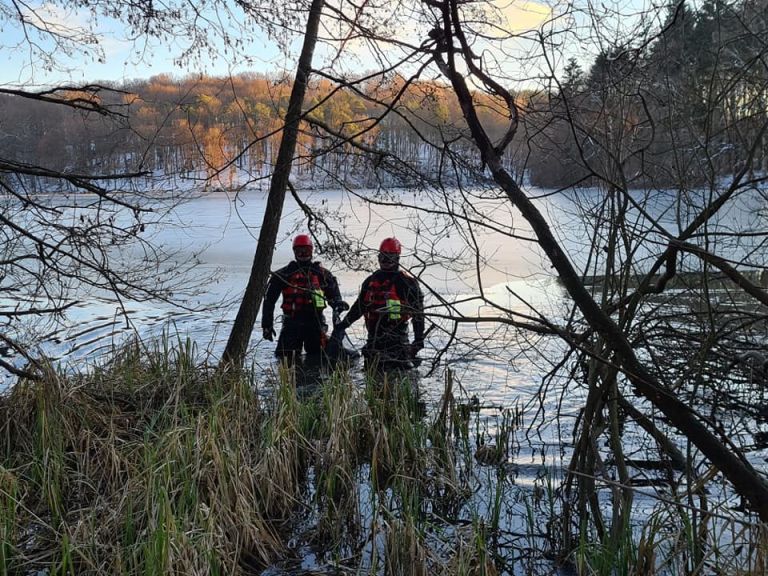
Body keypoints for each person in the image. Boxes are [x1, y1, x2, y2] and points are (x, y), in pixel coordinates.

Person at [333, 237, 425, 371]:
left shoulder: (407, 283)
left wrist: (418, 339)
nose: (385, 261)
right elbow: (359, 307)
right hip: (374, 341)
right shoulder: (370, 281)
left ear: (397, 258)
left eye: (389, 257)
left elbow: (418, 314)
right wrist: (344, 325)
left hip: (398, 342)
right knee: (372, 378)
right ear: (378, 257)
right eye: (382, 257)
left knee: (400, 379)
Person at [261, 234, 348, 363]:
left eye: (306, 250)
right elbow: (269, 301)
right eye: (299, 251)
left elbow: (334, 297)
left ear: (311, 251)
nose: (303, 254)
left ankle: (313, 380)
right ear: (294, 252)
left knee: (317, 358)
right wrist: (267, 325)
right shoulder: (283, 274)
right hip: (291, 323)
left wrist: (338, 305)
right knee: (283, 358)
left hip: (315, 323)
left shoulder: (322, 274)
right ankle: (289, 380)